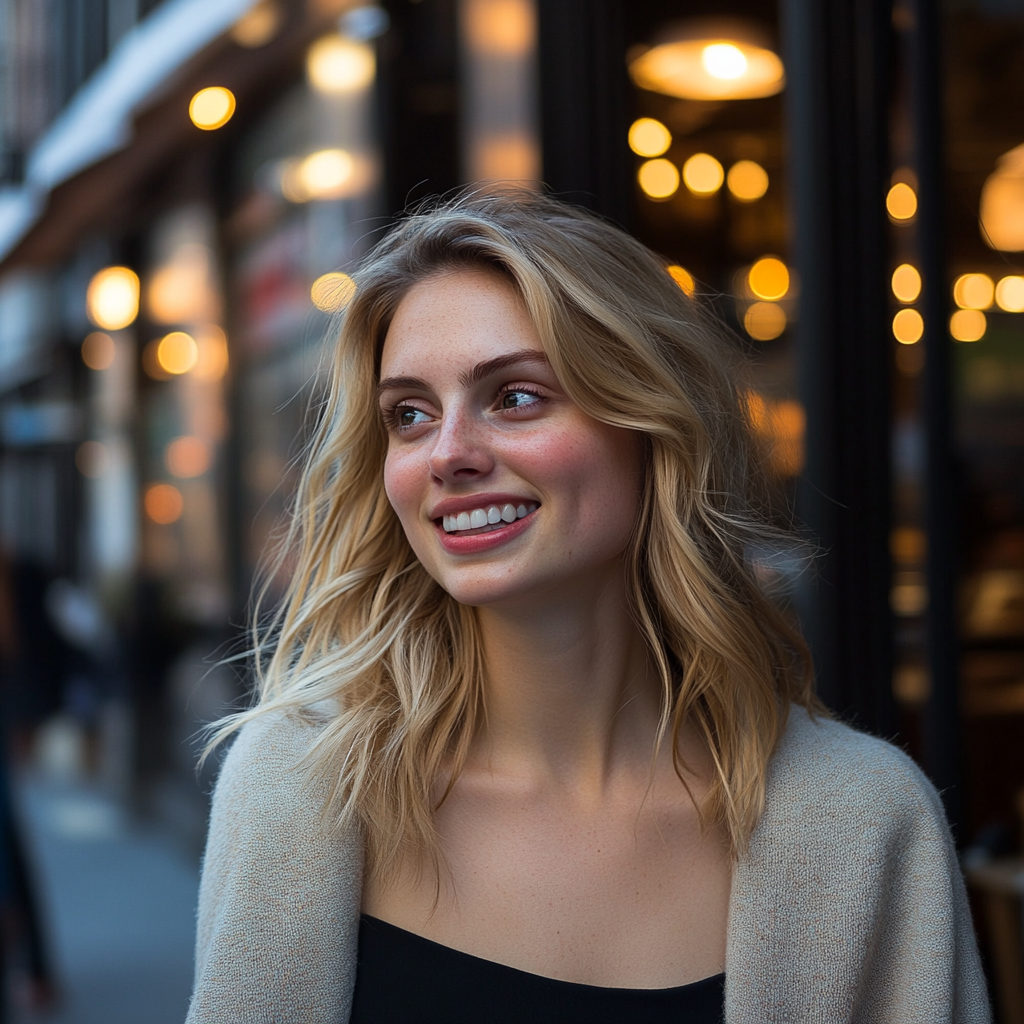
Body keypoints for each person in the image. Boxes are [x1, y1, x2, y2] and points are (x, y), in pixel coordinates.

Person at [186, 191, 990, 1023]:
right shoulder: (298, 787)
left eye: (517, 396)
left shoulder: (862, 824)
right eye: (410, 415)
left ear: (651, 424)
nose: (449, 454)